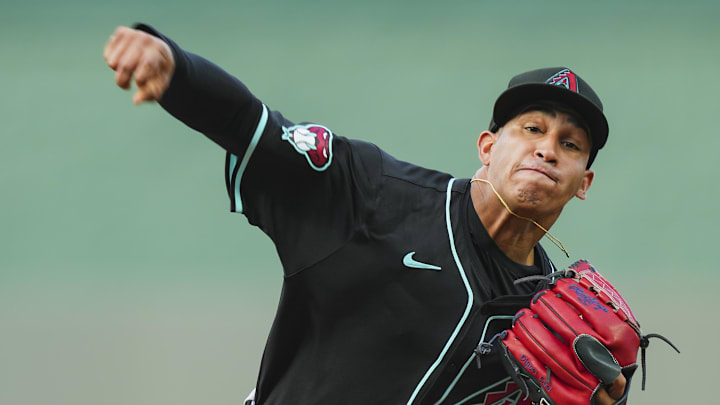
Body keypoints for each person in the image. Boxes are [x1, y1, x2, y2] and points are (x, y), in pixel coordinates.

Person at [103, 24, 626, 405]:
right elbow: (253, 126)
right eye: (531, 129)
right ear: (488, 146)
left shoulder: (561, 319)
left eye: (570, 143)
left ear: (584, 182)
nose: (547, 149)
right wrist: (176, 69)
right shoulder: (376, 195)